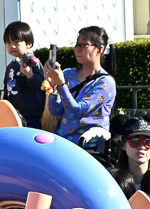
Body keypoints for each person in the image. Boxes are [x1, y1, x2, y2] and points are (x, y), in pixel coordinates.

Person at [44, 25, 114, 156]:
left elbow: (77, 112)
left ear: (99, 49)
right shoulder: (69, 74)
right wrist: (54, 89)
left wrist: (61, 85)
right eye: (76, 44)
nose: (77, 49)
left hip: (87, 149)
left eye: (83, 45)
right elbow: (56, 111)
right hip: (62, 144)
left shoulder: (105, 82)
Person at [111, 115, 150, 209]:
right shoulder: (111, 179)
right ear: (123, 145)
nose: (142, 146)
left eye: (148, 142)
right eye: (135, 141)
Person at [0, 21, 48, 128]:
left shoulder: (34, 62)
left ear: (28, 44)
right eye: (8, 42)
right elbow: (7, 89)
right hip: (13, 114)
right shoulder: (11, 66)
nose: (12, 46)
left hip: (31, 115)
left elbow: (40, 84)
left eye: (17, 42)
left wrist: (29, 74)